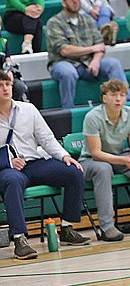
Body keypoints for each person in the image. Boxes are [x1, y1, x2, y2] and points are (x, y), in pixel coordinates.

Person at [0, 71, 90, 259]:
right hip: (8, 170)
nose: (5, 88)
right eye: (0, 85)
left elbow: (47, 138)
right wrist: (8, 161)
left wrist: (64, 155)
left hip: (34, 163)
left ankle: (67, 228)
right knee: (13, 181)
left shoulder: (28, 109)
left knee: (73, 172)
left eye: (7, 84)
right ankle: (19, 239)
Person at [80, 79, 130, 241]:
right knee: (103, 169)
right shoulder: (92, 117)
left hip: (119, 157)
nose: (118, 99)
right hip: (91, 161)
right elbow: (96, 153)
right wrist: (124, 160)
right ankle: (107, 226)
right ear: (104, 98)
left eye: (122, 95)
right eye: (113, 95)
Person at [47, 0, 130, 110]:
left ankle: (127, 104)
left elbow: (100, 45)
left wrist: (96, 60)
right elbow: (64, 50)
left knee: (113, 64)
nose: (75, 2)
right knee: (68, 72)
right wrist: (92, 49)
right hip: (63, 62)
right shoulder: (54, 22)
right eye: (71, 0)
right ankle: (68, 110)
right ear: (63, 3)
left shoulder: (87, 20)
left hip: (88, 63)